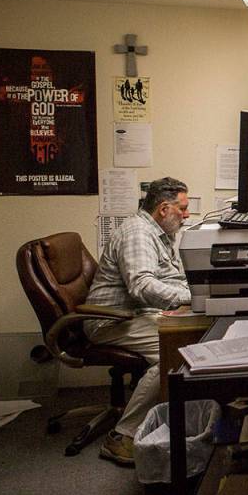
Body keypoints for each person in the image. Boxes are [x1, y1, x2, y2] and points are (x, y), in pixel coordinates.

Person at [84, 177, 192, 465]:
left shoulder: (160, 231)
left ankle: (168, 420)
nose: (187, 215)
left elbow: (168, 277)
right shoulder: (138, 234)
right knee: (175, 353)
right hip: (110, 321)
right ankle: (122, 436)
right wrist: (191, 297)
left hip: (138, 313)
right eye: (183, 209)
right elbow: (142, 286)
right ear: (164, 209)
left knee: (190, 335)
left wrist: (198, 289)